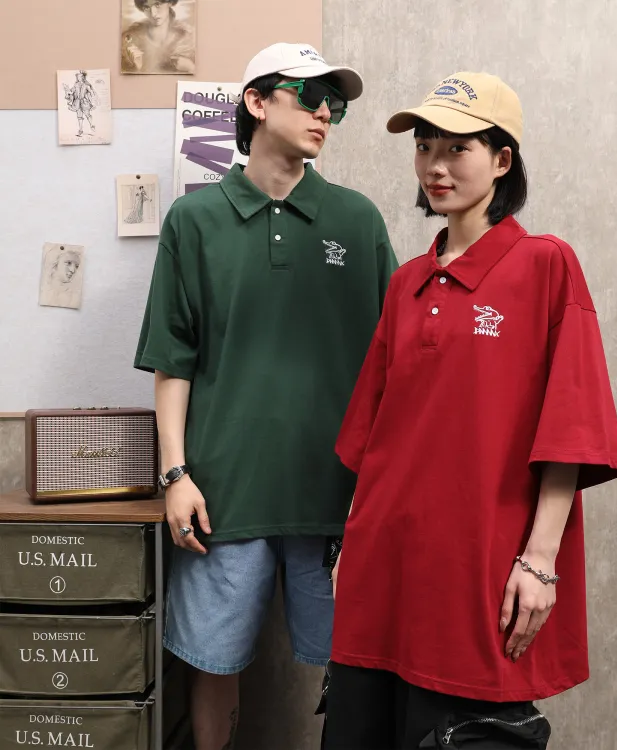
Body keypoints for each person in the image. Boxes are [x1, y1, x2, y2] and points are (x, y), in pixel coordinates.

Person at [324, 72, 617, 749]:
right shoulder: (406, 283)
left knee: (466, 729)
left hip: (480, 566)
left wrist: (540, 560)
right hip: (384, 565)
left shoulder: (546, 265)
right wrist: (351, 541)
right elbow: (373, 433)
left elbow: (572, 426)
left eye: (457, 148)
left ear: (501, 160)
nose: (435, 165)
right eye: (424, 146)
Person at [133, 43, 398, 750]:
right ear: (256, 101)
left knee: (356, 666)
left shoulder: (357, 221)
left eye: (334, 103)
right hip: (222, 495)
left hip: (338, 496)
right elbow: (173, 361)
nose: (325, 113)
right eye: (309, 96)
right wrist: (175, 474)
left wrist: (382, 488)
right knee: (211, 663)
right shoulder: (193, 222)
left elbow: (395, 365)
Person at [121, 0, 195, 74]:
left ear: (170, 2)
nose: (153, 14)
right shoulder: (131, 38)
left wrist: (190, 67)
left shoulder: (186, 37)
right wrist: (135, 68)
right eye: (146, 7)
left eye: (157, 4)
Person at [64, 71, 96, 137]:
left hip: (84, 102)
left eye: (79, 77)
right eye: (77, 77)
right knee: (79, 117)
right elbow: (71, 92)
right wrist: (67, 90)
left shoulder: (86, 85)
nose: (78, 78)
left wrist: (93, 101)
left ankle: (92, 126)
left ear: (83, 77)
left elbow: (91, 92)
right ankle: (80, 130)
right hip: (77, 103)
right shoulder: (76, 85)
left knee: (88, 115)